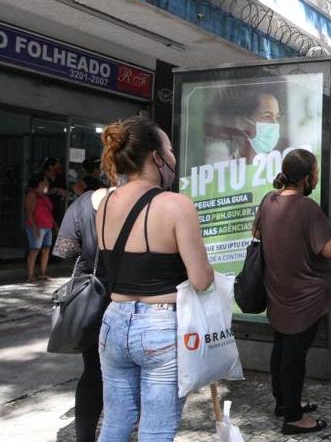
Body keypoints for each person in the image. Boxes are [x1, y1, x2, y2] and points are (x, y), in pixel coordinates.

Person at [95, 116, 213, 441]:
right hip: (161, 326)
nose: (174, 158)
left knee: (115, 424)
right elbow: (201, 280)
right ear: (156, 157)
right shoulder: (176, 205)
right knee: (157, 431)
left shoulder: (105, 203)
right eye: (170, 150)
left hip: (113, 323)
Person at [258, 149, 331, 435]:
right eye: (315, 173)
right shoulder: (307, 208)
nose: (316, 178)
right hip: (305, 297)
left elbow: (257, 234)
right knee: (294, 357)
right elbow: (330, 248)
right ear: (306, 179)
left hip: (277, 290)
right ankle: (293, 417)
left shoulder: (269, 200)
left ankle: (283, 402)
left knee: (281, 349)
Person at [52, 186, 114, 442]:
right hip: (132, 295)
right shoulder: (136, 200)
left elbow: (66, 251)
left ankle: (85, 437)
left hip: (92, 301)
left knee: (94, 370)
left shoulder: (82, 204)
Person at [205, 91, 282, 164]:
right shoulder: (222, 164)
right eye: (267, 116)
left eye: (277, 117)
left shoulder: (276, 164)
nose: (275, 124)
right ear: (242, 123)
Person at [24, 174, 55, 282]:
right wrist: (34, 227)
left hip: (47, 226)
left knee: (46, 250)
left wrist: (54, 225)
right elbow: (29, 212)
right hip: (37, 226)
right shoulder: (32, 194)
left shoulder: (43, 195)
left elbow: (48, 212)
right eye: (46, 181)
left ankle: (42, 273)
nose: (47, 184)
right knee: (34, 250)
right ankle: (30, 275)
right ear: (40, 183)